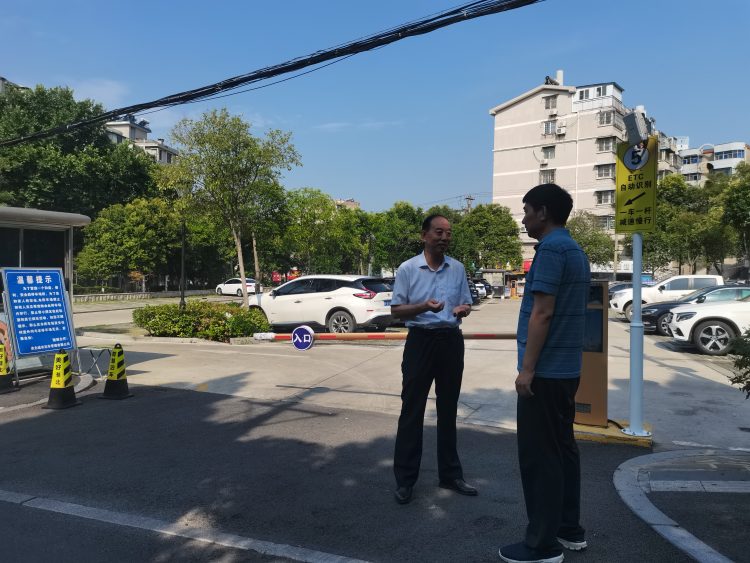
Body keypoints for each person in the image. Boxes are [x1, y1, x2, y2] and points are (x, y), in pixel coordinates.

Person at [499, 184, 590, 563]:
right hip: (566, 371)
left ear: (543, 212)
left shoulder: (551, 250)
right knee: (563, 450)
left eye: (526, 211)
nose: (523, 219)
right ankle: (568, 528)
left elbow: (542, 312)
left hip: (546, 373)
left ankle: (541, 545)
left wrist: (527, 370)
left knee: (541, 457)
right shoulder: (575, 249)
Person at [390, 214, 476, 505]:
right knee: (412, 410)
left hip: (450, 341)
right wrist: (423, 306)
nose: (444, 238)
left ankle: (450, 475)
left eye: (448, 233)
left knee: (448, 410)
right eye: (439, 232)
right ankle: (405, 480)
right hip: (420, 342)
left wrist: (463, 309)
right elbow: (396, 310)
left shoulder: (458, 268)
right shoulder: (408, 268)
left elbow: (466, 302)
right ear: (424, 235)